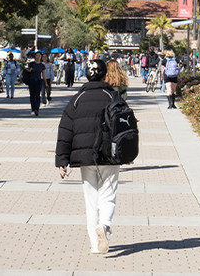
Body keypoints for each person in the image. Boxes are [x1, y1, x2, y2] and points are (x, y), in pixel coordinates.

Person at [55, 59, 123, 254]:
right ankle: (105, 225)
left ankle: (95, 244)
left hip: (85, 157)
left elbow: (65, 130)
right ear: (104, 75)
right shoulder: (112, 96)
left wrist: (62, 160)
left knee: (91, 199)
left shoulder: (77, 99)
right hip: (109, 155)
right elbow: (124, 124)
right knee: (108, 195)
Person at [24, 51, 47, 116]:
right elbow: (27, 70)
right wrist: (29, 70)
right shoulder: (32, 64)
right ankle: (33, 109)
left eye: (39, 56)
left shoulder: (42, 65)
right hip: (32, 80)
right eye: (37, 55)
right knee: (32, 95)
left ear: (41, 57)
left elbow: (44, 74)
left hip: (39, 81)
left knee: (37, 95)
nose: (38, 57)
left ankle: (37, 109)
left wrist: (46, 82)